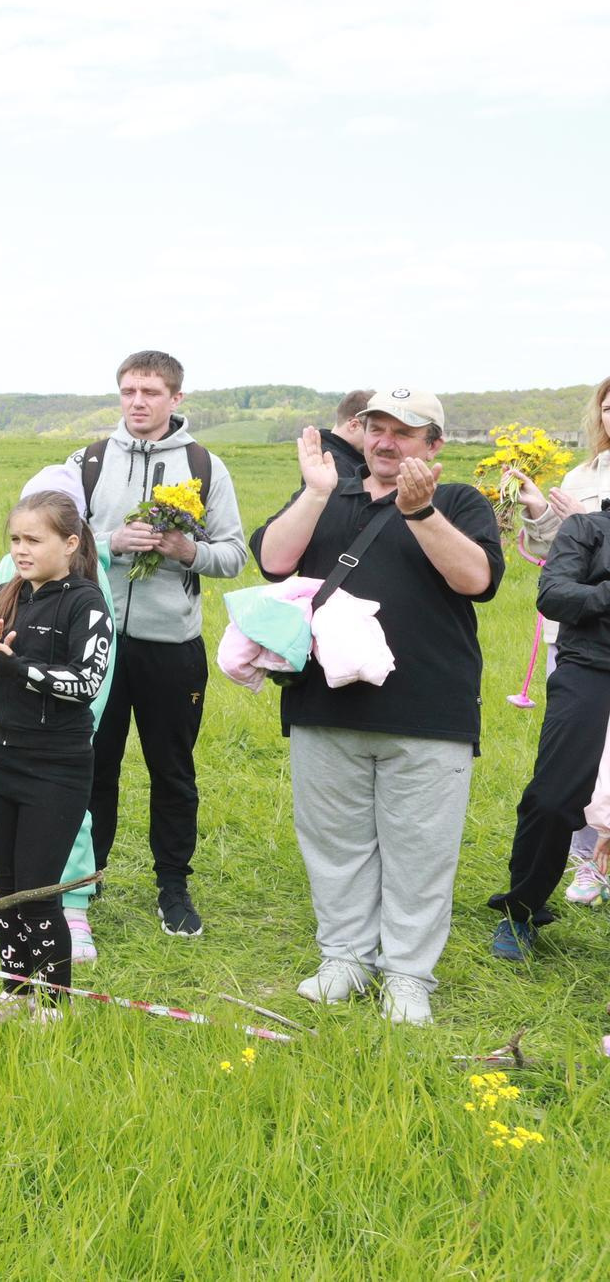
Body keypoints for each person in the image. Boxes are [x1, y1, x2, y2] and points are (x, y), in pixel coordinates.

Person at [252, 389, 502, 1026]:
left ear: (433, 445)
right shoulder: (327, 493)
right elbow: (274, 561)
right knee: (334, 843)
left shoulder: (459, 502)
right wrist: (311, 493)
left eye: (405, 432)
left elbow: (476, 580)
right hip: (325, 703)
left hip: (428, 709)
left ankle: (408, 975)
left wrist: (422, 514)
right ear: (360, 432)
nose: (387, 442)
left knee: (421, 849)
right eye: (375, 428)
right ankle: (345, 958)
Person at [64, 351, 248, 939]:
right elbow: (56, 540)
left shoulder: (205, 466)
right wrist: (109, 540)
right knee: (95, 767)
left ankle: (173, 887)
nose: (137, 402)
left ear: (176, 399)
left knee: (173, 772)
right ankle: (83, 885)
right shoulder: (89, 462)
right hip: (100, 640)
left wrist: (186, 551)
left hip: (173, 645)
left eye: (149, 391)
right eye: (127, 391)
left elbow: (235, 554)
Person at [0, 489, 112, 1019]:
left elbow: (85, 682)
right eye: (15, 539)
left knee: (40, 891)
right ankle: (15, 988)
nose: (21, 550)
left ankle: (53, 1002)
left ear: (70, 543)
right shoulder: (11, 593)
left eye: (33, 540)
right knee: (6, 886)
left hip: (55, 768)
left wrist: (9, 667)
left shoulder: (86, 603)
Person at [501, 374, 610, 900]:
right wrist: (543, 510)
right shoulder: (583, 474)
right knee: (576, 772)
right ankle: (581, 862)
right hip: (586, 646)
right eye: (608, 407)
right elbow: (558, 556)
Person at [489, 499, 610, 959]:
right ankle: (521, 911)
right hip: (591, 668)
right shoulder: (588, 528)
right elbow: (553, 594)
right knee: (555, 797)